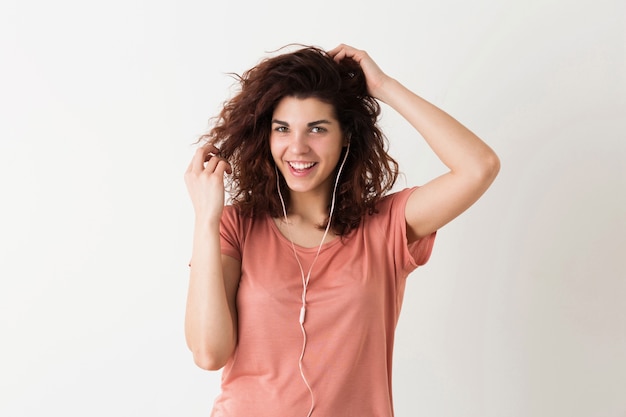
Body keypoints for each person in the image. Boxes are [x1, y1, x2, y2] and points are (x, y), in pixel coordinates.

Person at [184, 44, 500, 416]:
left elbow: (479, 166)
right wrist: (206, 219)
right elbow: (209, 353)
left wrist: (382, 85)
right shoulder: (235, 226)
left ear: (346, 135)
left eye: (317, 129)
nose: (297, 147)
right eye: (282, 129)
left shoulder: (386, 227)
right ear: (266, 137)